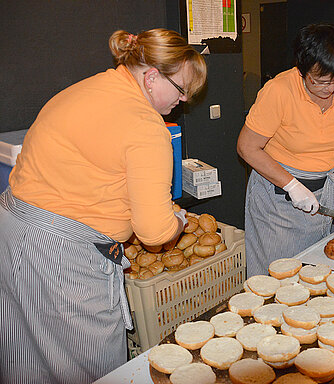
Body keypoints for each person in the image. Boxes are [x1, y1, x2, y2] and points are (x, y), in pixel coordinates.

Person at [0, 29, 206, 383]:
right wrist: (178, 222)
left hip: (13, 229)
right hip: (61, 255)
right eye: (181, 89)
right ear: (152, 77)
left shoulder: (88, 89)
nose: (184, 100)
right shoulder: (145, 125)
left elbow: (95, 170)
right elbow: (154, 232)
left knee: (26, 357)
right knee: (90, 367)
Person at [237, 23, 334, 277]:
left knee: (312, 271)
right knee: (275, 276)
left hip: (322, 191)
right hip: (276, 194)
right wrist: (291, 184)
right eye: (321, 81)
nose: (331, 88)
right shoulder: (279, 91)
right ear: (302, 71)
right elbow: (247, 147)